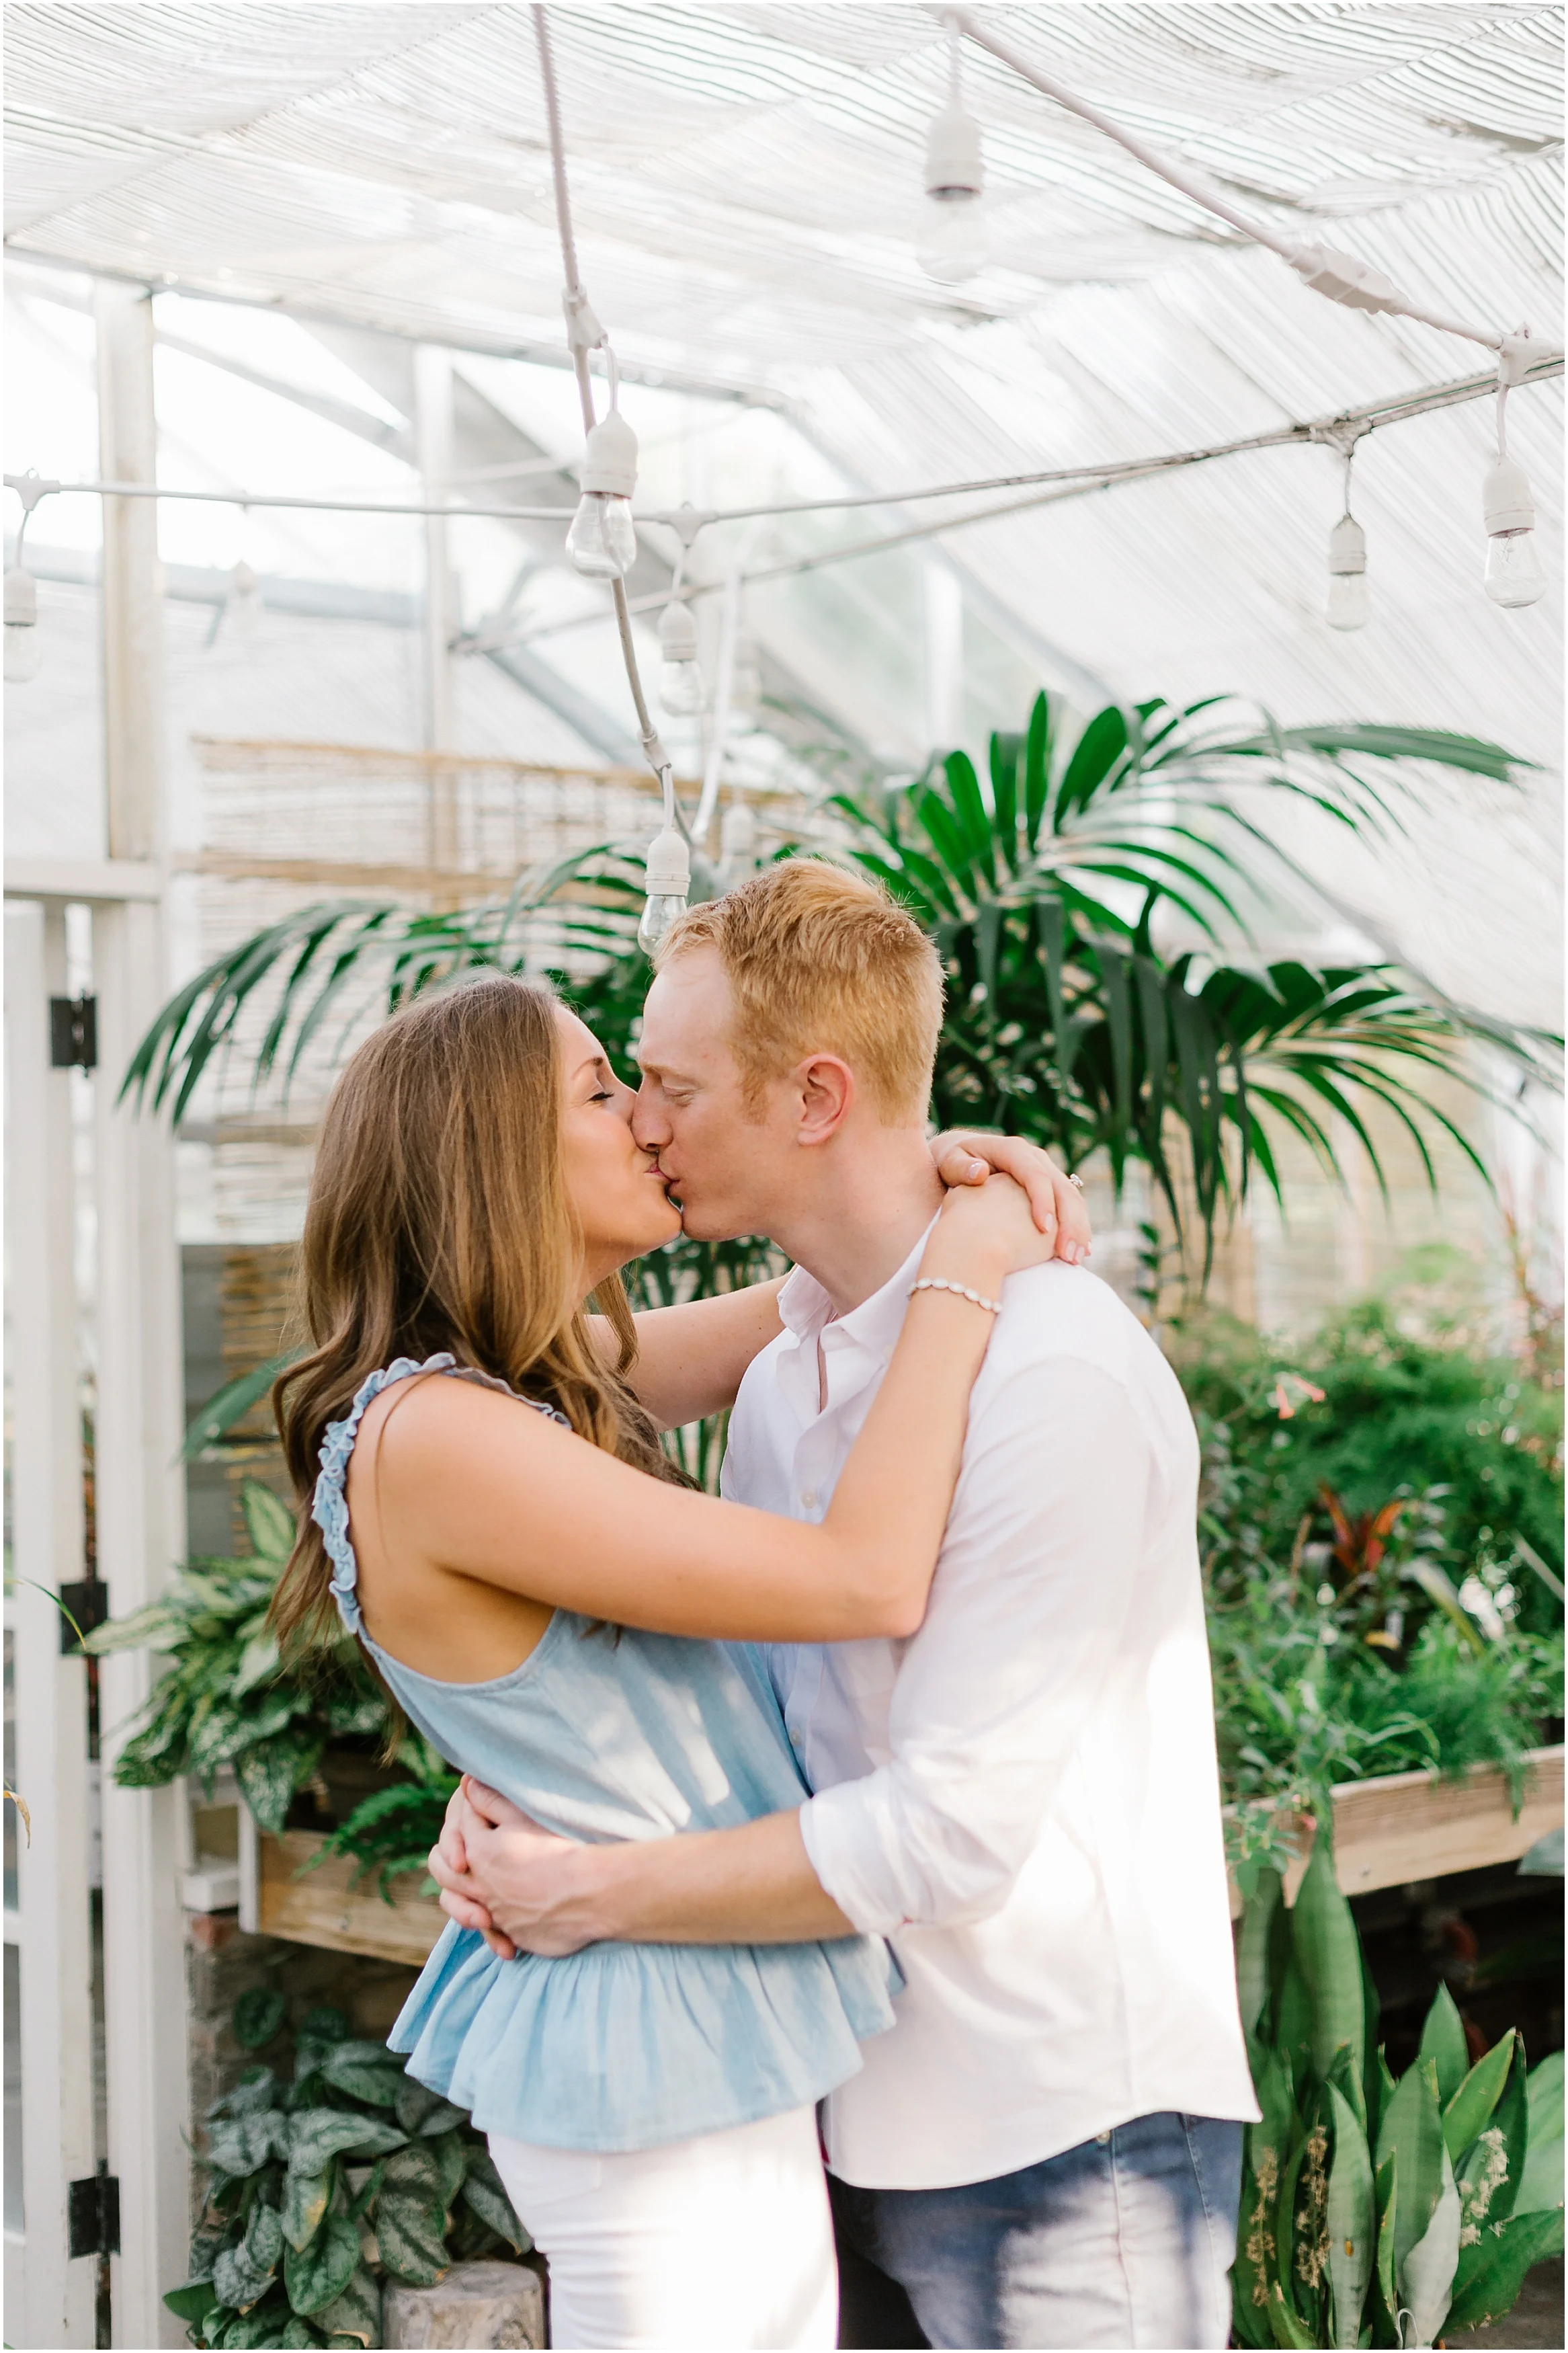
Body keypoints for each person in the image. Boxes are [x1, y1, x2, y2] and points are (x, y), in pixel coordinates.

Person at [434, 859, 1262, 2353]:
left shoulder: (1047, 1372)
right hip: (844, 2101)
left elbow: (948, 1827)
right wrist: (531, 1784)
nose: (641, 1119)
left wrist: (591, 1891)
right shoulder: (785, 1371)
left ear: (814, 1097)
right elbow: (738, 1700)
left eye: (671, 1085)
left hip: (1064, 2142)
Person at [270, 965, 1083, 2352]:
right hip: (639, 2049)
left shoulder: (507, 1387)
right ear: (492, 1157)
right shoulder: (445, 1438)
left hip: (664, 2024)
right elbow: (865, 1576)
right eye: (601, 1091)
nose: (647, 1122)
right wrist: (968, 1263)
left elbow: (801, 1298)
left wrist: (910, 1190)